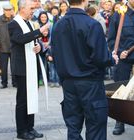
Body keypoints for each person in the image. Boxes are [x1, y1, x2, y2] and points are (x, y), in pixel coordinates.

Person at [51, 0, 118, 139]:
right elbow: (101, 58)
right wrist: (112, 59)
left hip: (68, 83)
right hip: (90, 83)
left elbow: (55, 55)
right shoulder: (92, 24)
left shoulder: (58, 25)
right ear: (85, 1)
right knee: (95, 127)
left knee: (73, 128)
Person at [8, 0, 49, 139]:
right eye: (31, 8)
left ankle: (30, 128)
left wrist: (39, 47)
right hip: (21, 68)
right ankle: (21, 131)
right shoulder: (13, 24)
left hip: (32, 65)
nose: (33, 11)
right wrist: (39, 32)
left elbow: (33, 41)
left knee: (32, 98)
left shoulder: (30, 23)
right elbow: (20, 39)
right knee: (23, 101)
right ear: (22, 9)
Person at [108, 0, 134, 135]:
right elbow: (111, 38)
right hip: (124, 59)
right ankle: (120, 121)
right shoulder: (118, 15)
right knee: (120, 89)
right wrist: (118, 52)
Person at [0, 3, 16, 88]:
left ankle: (15, 82)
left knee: (14, 66)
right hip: (2, 47)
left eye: (10, 10)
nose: (8, 12)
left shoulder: (15, 20)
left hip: (14, 47)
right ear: (3, 11)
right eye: (6, 10)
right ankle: (4, 83)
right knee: (3, 67)